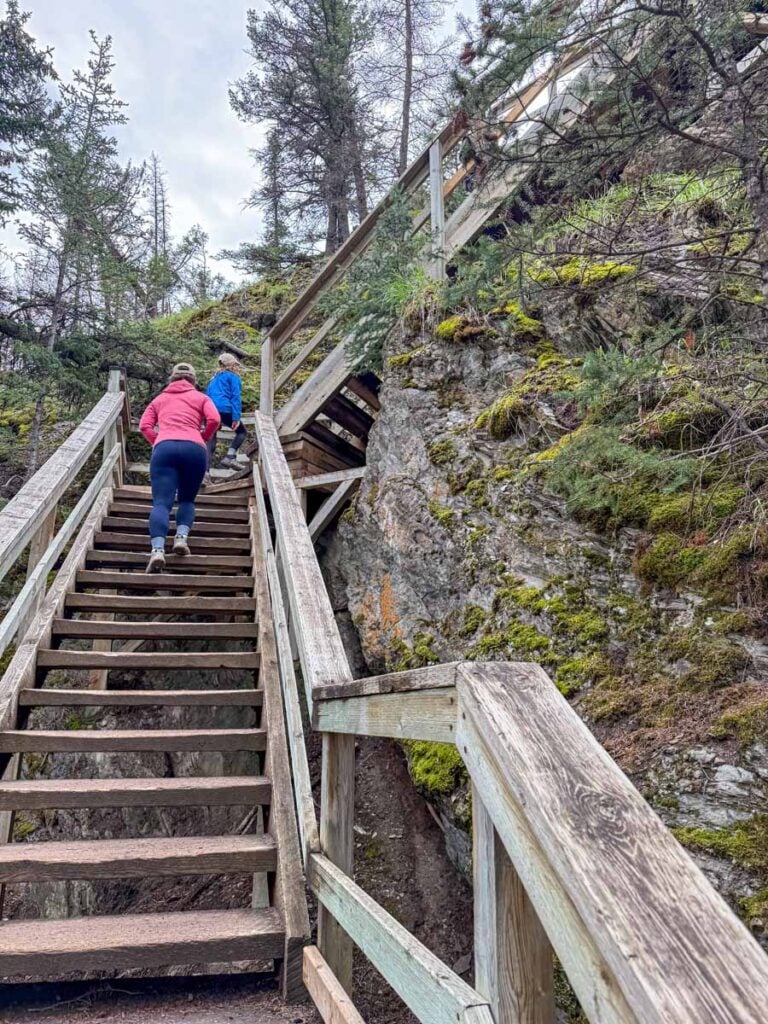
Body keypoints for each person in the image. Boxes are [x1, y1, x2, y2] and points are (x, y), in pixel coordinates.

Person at [138, 362, 221, 573]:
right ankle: (181, 539)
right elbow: (214, 419)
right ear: (193, 380)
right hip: (194, 449)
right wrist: (202, 437)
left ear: (171, 379)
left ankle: (157, 551)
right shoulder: (201, 398)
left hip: (164, 447)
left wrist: (158, 440)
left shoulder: (159, 399)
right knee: (186, 499)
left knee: (161, 503)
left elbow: (144, 426)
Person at [206, 352, 246, 469]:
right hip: (225, 408)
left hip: (211, 410)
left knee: (211, 438)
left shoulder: (213, 380)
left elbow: (207, 396)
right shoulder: (233, 377)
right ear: (232, 365)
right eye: (236, 365)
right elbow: (235, 397)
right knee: (242, 432)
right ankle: (230, 456)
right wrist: (236, 417)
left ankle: (205, 473)